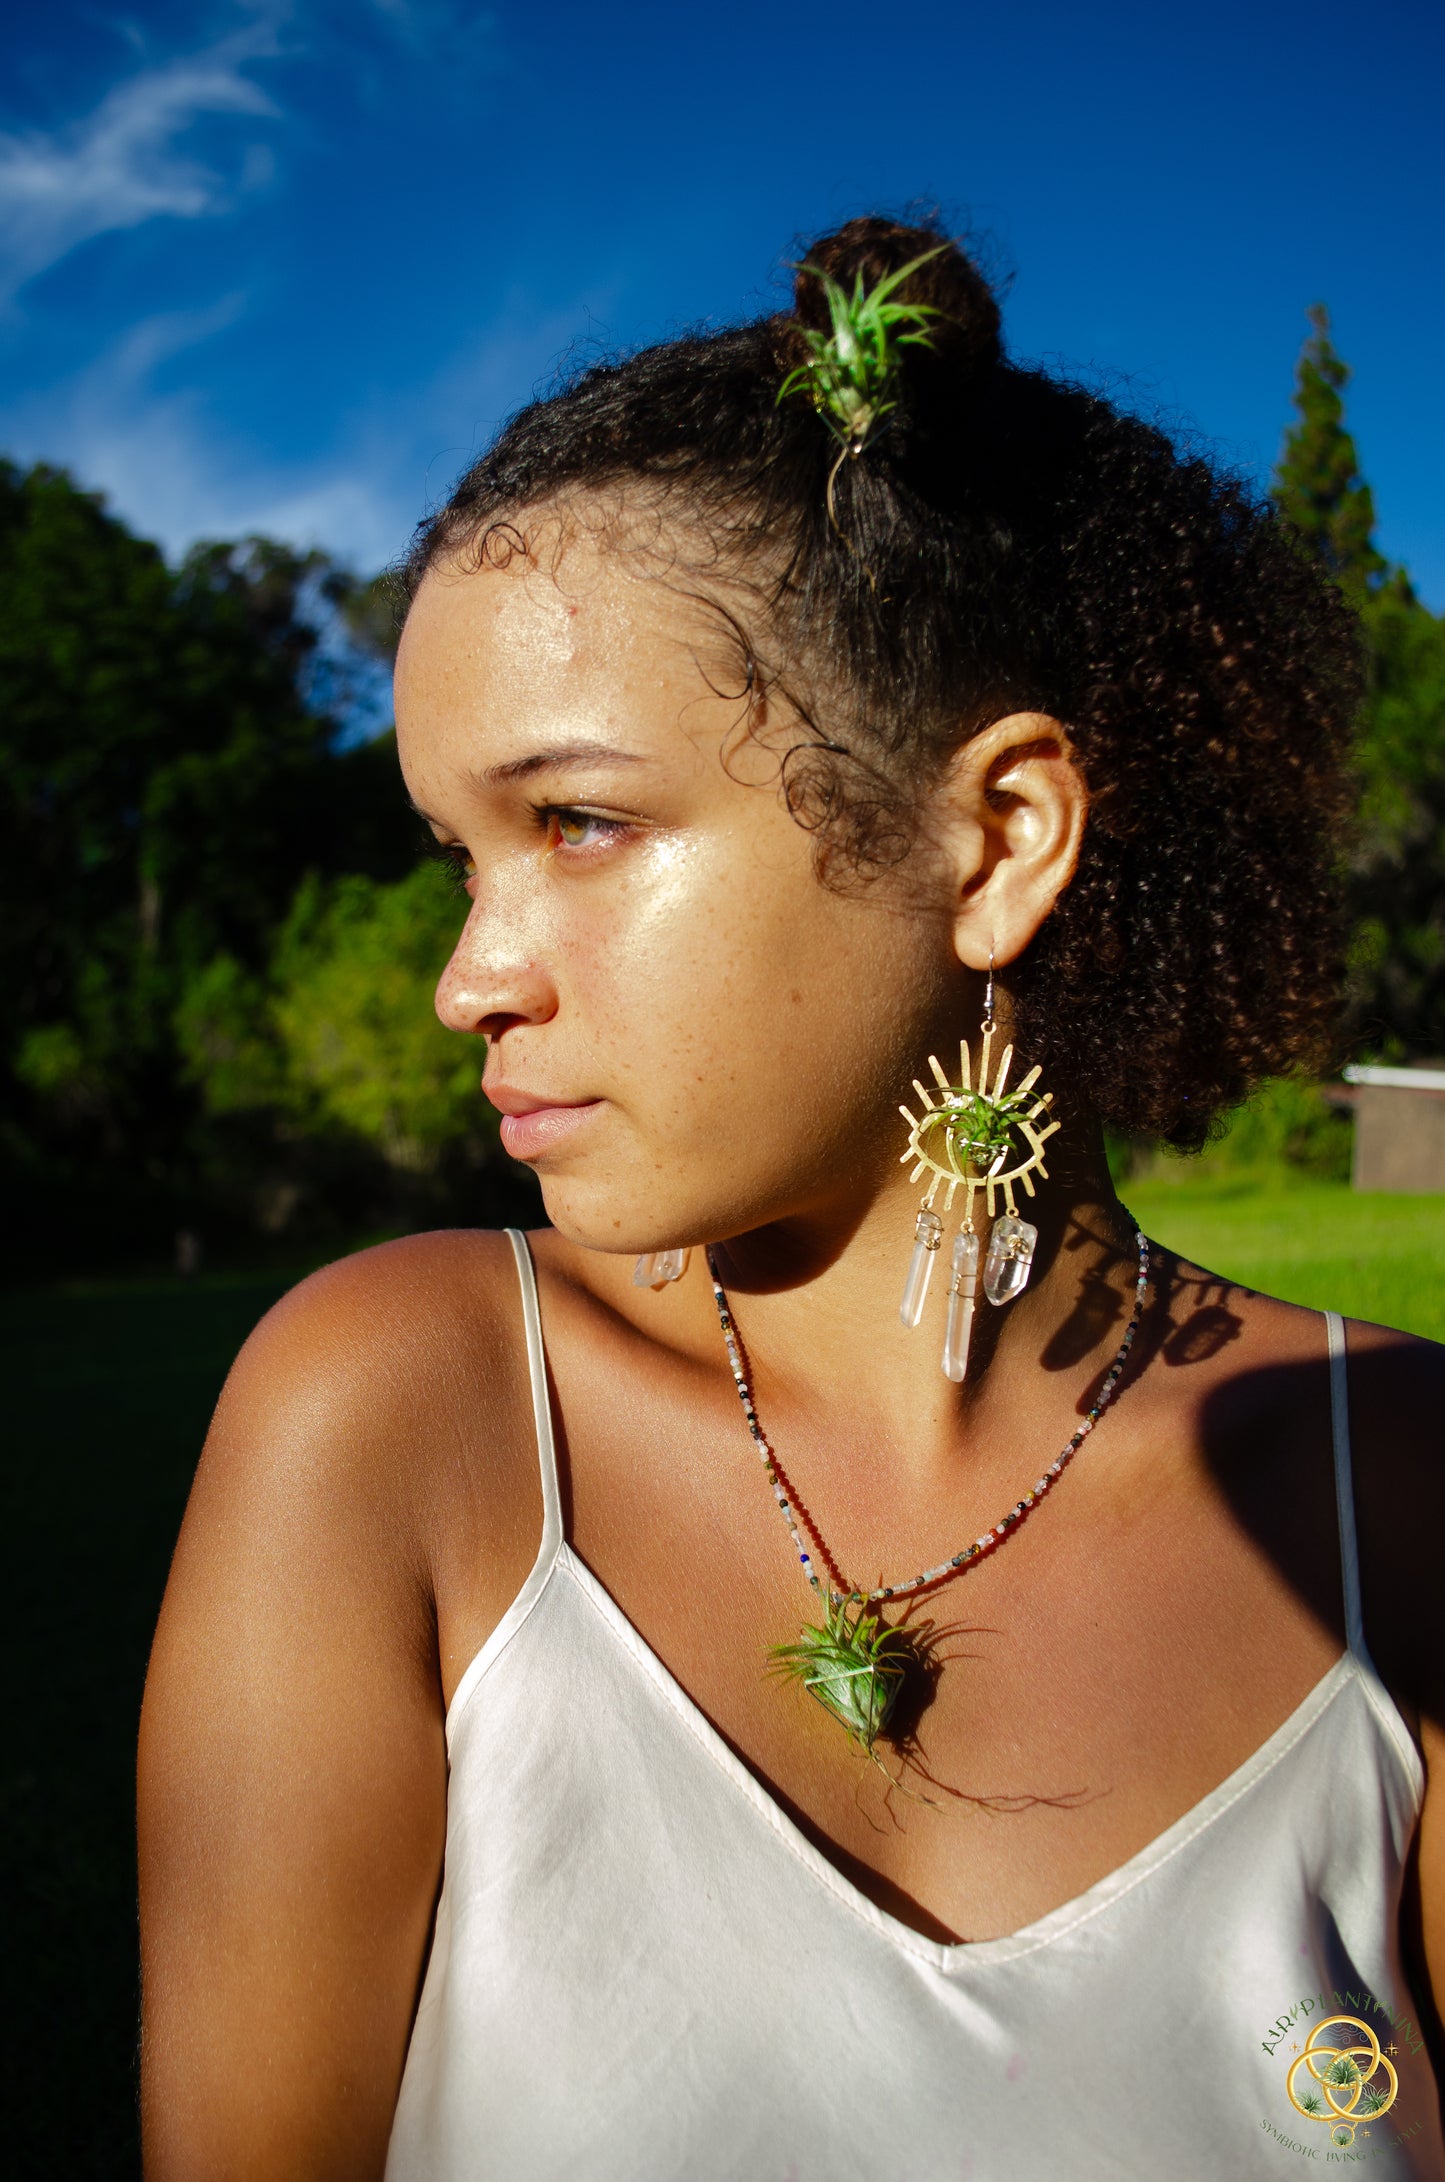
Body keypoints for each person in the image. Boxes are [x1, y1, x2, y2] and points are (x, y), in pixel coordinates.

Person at [137, 217, 1445, 2179]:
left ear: (995, 835)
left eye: (576, 821)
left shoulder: (1399, 1486)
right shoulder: (406, 1421)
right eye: (456, 856)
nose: (467, 975)